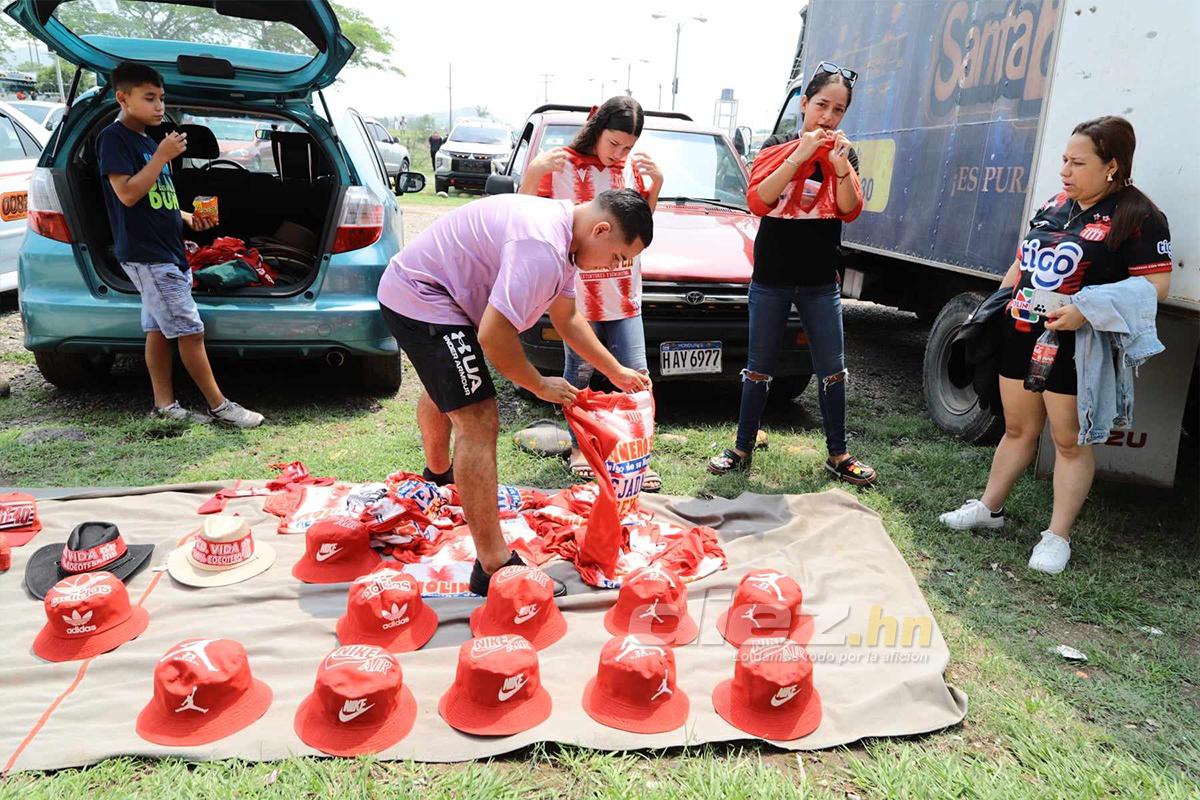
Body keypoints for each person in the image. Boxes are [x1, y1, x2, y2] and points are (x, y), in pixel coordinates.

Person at [377, 189, 654, 596]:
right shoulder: (542, 245)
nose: (613, 268)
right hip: (421, 296)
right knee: (478, 416)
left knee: (449, 387)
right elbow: (494, 336)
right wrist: (539, 384)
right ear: (601, 229)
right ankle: (492, 566)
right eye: (617, 257)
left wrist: (616, 371)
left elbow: (567, 317)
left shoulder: (565, 240)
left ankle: (438, 479)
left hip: (434, 294)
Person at [940, 116, 1172, 574]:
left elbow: (1157, 287)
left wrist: (1087, 308)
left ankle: (1057, 536)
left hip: (1077, 344)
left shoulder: (1139, 215)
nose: (1065, 170)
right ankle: (990, 509)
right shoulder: (1055, 203)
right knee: (1016, 429)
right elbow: (1022, 261)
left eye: (1077, 162)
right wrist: (998, 305)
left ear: (1112, 166)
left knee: (1068, 440)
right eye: (1064, 159)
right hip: (1022, 332)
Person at [707, 62, 876, 486]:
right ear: (804, 105)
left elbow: (851, 210)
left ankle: (838, 454)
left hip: (821, 282)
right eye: (822, 105)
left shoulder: (845, 153)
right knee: (758, 367)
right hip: (772, 278)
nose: (828, 117)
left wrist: (838, 166)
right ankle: (742, 448)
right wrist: (799, 156)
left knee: (833, 369)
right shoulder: (777, 145)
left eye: (838, 110)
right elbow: (758, 201)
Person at [97, 62, 263, 427]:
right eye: (150, 98)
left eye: (162, 98)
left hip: (165, 250)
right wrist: (161, 156)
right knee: (191, 330)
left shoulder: (148, 140)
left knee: (158, 330)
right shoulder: (115, 138)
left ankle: (165, 407)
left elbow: (159, 199)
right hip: (149, 255)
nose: (159, 106)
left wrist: (190, 219)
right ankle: (220, 408)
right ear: (122, 98)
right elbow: (126, 194)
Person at [517, 96, 664, 490]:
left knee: (638, 373)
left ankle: (638, 453)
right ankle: (581, 447)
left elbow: (638, 228)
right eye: (614, 144)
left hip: (623, 292)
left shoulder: (629, 168)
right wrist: (532, 174)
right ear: (596, 128)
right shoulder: (560, 163)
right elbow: (524, 214)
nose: (620, 154)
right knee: (578, 373)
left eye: (628, 147)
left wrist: (656, 186)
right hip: (577, 293)